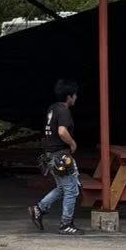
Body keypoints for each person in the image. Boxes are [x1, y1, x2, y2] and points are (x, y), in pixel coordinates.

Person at [31, 77, 82, 235]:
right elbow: (61, 131)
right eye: (75, 95)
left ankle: (39, 209)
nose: (76, 97)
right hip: (60, 155)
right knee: (72, 190)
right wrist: (73, 144)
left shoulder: (52, 108)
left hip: (51, 155)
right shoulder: (64, 110)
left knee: (63, 188)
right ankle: (66, 224)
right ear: (69, 96)